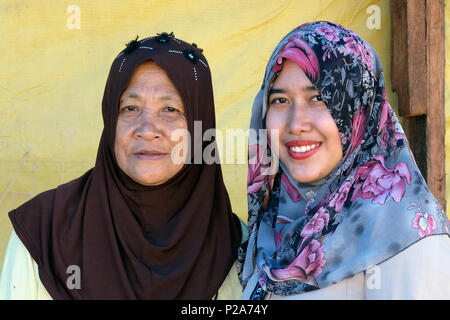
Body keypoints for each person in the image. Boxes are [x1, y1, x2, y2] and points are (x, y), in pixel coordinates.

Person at [0, 32, 245, 299]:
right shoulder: (45, 233)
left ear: (200, 125)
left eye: (171, 109)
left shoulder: (241, 250)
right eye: (130, 108)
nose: (148, 130)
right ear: (110, 120)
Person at [238, 21, 450, 299]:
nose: (295, 123)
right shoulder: (270, 227)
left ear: (359, 109)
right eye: (280, 100)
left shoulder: (404, 236)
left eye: (319, 98)